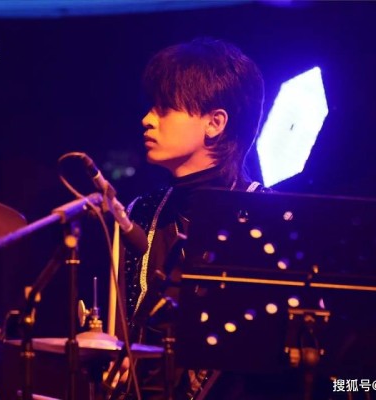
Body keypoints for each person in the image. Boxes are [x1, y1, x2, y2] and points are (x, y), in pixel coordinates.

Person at [114, 37, 272, 399]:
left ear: (215, 123)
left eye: (164, 109)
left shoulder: (270, 216)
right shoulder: (139, 212)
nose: (147, 120)